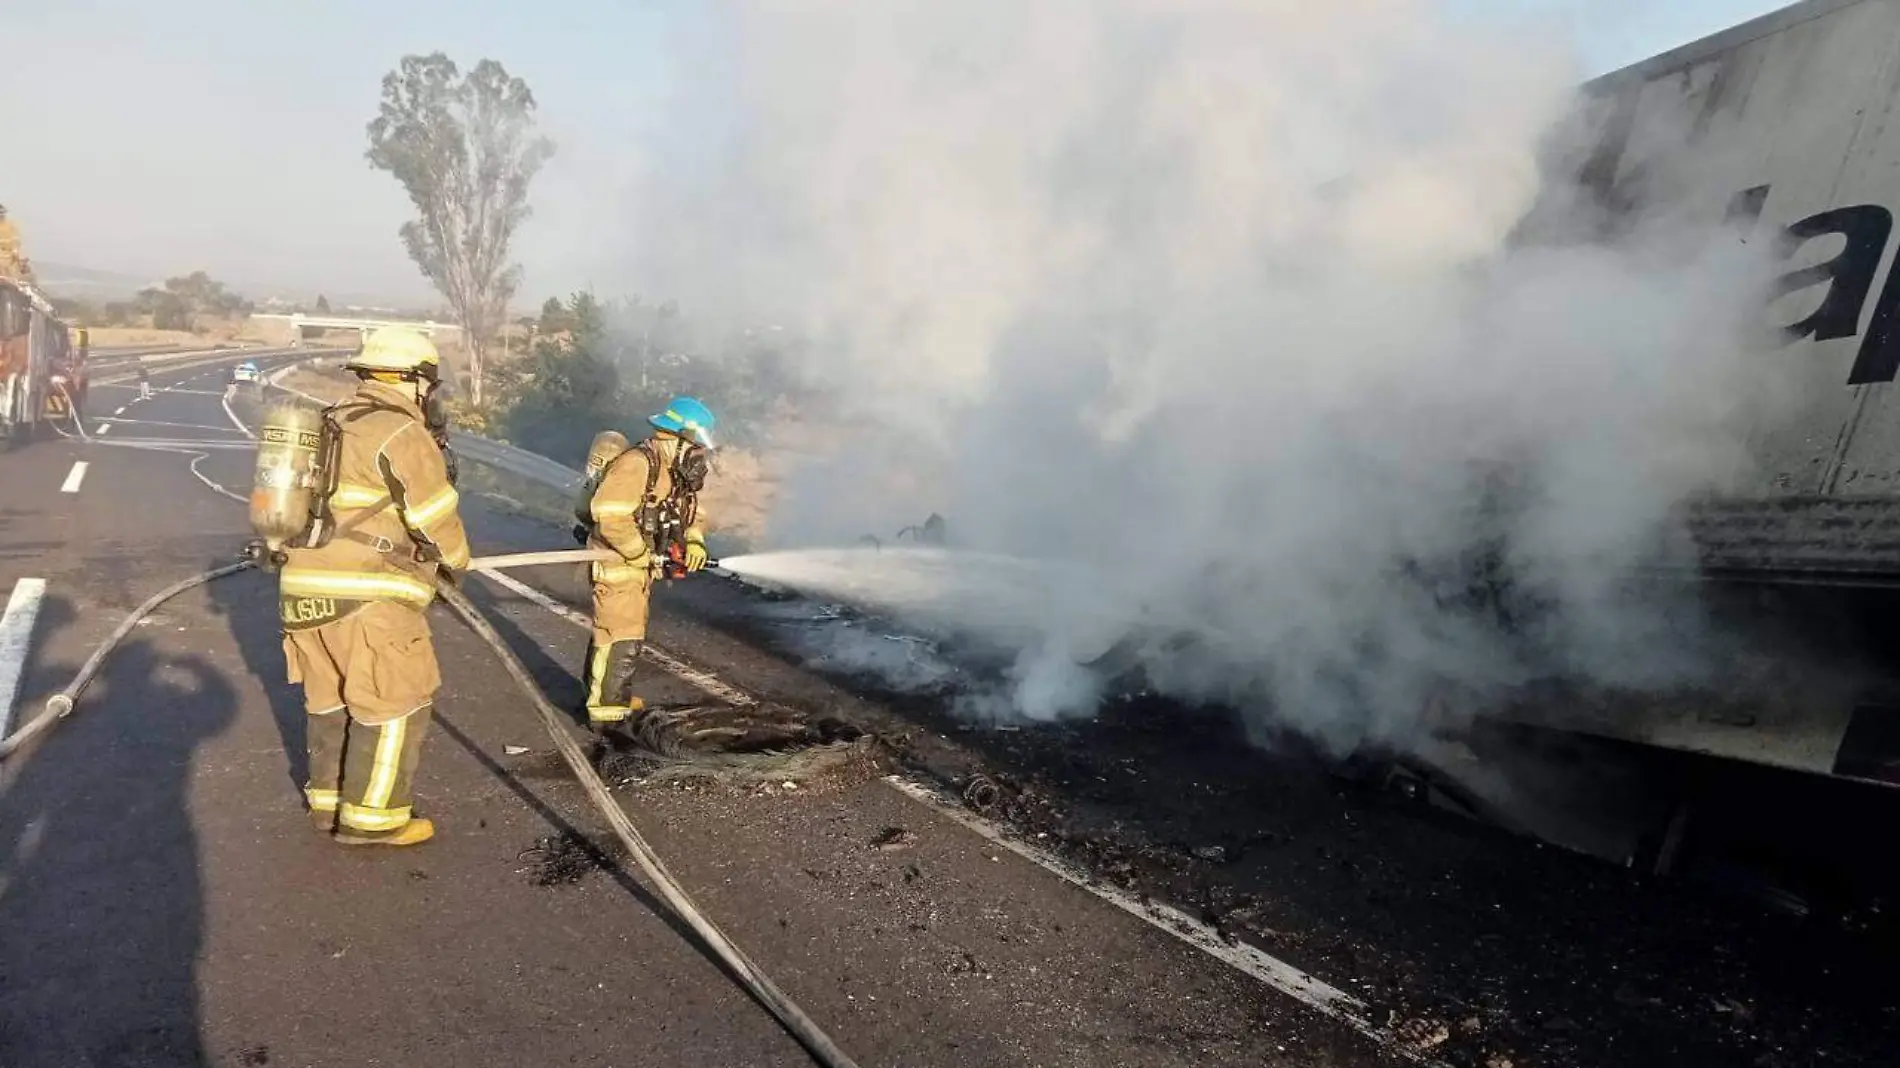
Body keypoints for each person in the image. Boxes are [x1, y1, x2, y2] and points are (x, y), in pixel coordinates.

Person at [278, 327, 469, 846]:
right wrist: (456, 563)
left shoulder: (329, 421)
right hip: (367, 592)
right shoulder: (401, 433)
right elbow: (434, 517)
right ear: (414, 382)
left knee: (330, 699)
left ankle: (328, 805)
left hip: (301, 590)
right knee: (394, 700)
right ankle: (373, 820)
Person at [578, 397, 716, 737]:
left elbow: (691, 512)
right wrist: (640, 554)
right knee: (620, 635)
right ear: (677, 436)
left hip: (639, 567)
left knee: (619, 631)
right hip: (617, 564)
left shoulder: (674, 471)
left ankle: (604, 695)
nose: (700, 453)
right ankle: (607, 716)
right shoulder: (637, 464)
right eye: (696, 444)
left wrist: (695, 539)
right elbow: (609, 515)